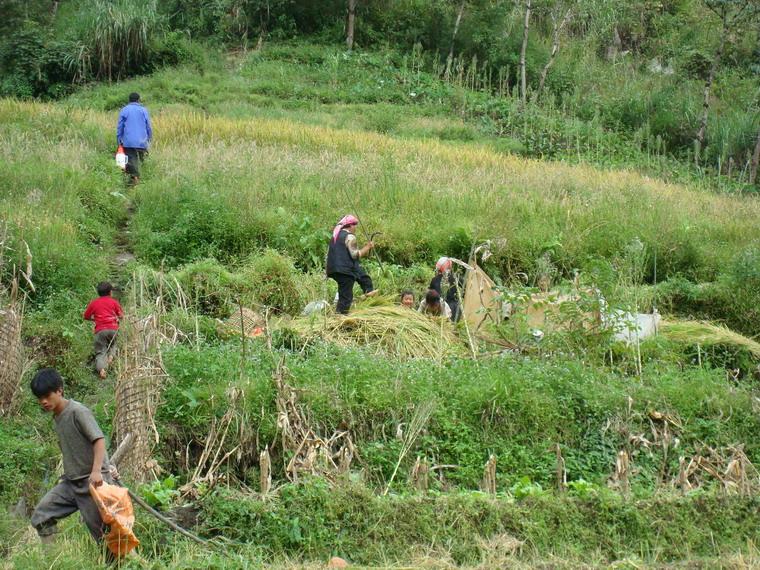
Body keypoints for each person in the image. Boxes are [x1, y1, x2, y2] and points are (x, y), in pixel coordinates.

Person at [29, 368, 115, 553]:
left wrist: (98, 471)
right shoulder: (57, 418)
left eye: (47, 395)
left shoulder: (78, 411)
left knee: (106, 541)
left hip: (93, 484)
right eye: (39, 398)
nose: (43, 401)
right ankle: (53, 561)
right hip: (71, 484)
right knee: (41, 515)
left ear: (59, 390)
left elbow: (99, 440)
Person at [326, 214, 375, 314]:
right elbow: (355, 255)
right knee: (346, 296)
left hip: (335, 269)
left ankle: (370, 297)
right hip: (345, 270)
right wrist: (368, 247)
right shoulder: (349, 236)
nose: (355, 228)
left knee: (365, 279)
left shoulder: (335, 236)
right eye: (355, 225)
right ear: (350, 225)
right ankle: (340, 318)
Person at [83, 282, 124, 379]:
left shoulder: (94, 303)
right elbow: (121, 316)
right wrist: (117, 319)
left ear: (98, 292)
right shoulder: (114, 302)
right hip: (113, 328)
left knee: (101, 351)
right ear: (110, 292)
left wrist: (95, 319)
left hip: (100, 330)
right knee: (114, 345)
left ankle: (102, 370)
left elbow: (86, 316)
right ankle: (111, 358)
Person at [116, 92, 152, 185]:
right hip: (142, 141)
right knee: (143, 160)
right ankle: (145, 179)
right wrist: (149, 138)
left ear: (129, 100)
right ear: (138, 100)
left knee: (131, 160)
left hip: (128, 141)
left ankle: (135, 179)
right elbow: (148, 126)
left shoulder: (124, 110)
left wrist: (119, 139)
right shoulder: (143, 110)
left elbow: (120, 127)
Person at [430, 256, 461, 322]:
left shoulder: (435, 280)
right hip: (454, 307)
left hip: (441, 306)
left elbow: (432, 293)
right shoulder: (455, 279)